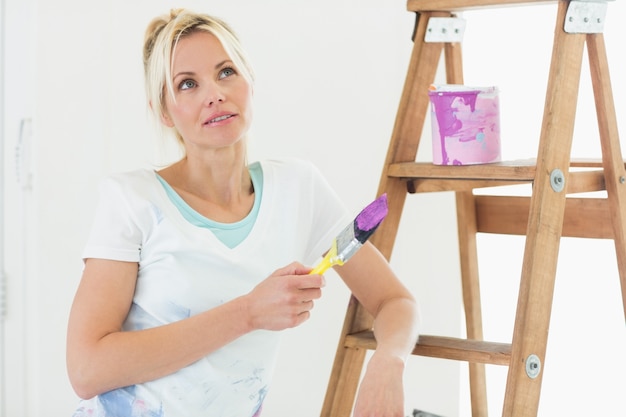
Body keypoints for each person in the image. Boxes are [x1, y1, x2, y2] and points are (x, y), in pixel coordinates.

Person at [66, 8, 420, 417]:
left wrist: (387, 363)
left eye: (226, 72)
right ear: (165, 111)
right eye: (187, 84)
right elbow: (86, 369)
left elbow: (396, 301)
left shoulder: (299, 189)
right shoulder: (132, 199)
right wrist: (248, 312)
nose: (214, 93)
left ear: (250, 79)